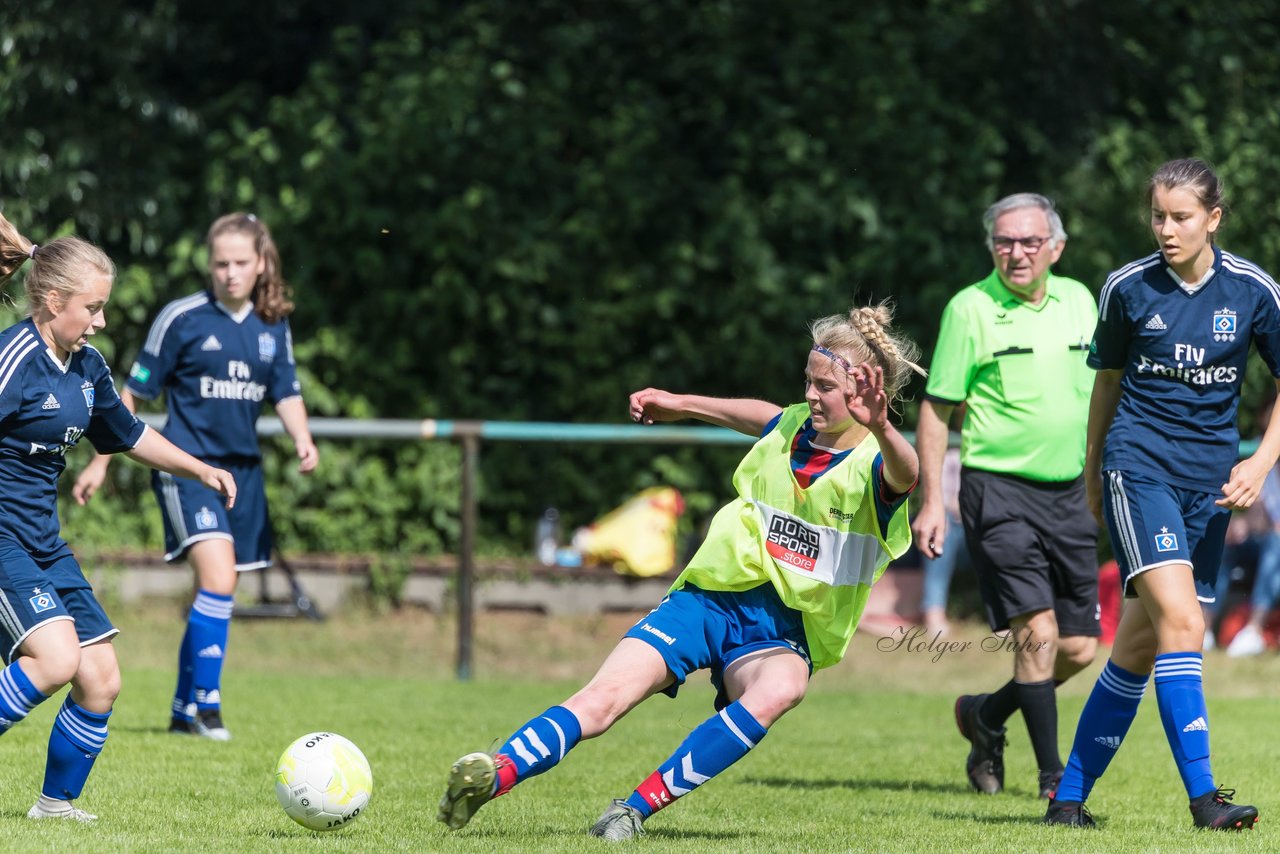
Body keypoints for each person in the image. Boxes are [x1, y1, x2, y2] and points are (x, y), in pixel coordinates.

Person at [437, 303, 923, 839]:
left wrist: (880, 428)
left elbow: (908, 473)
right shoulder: (789, 427)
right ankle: (492, 775)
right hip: (708, 600)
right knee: (602, 701)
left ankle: (632, 810)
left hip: (784, 631)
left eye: (825, 386)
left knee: (783, 686)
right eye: (807, 380)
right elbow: (756, 413)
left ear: (866, 393)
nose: (809, 395)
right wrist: (679, 403)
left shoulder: (875, 462)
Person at [1045, 158, 1278, 831]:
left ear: (1214, 218)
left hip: (1209, 484)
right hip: (1136, 466)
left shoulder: (1255, 292)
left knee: (1141, 645)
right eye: (1158, 216)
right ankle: (1206, 800)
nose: (1167, 230)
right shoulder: (1126, 287)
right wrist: (1093, 474)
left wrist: (1261, 462)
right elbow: (1107, 384)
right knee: (1184, 623)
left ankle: (1067, 801)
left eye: (1181, 217)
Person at [0, 214, 236, 821]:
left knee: (100, 676)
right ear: (54, 301)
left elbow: (127, 435)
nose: (102, 321)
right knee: (54, 660)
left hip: (43, 542)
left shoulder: (87, 367)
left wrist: (201, 469)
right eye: (93, 307)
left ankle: (54, 808)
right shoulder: (13, 357)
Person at [73, 213, 317, 741]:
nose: (229, 273)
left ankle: (184, 712)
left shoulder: (272, 326)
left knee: (218, 588)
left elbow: (287, 391)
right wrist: (101, 460)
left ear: (260, 264)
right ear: (210, 265)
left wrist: (303, 437)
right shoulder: (181, 318)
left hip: (243, 475)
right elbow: (129, 395)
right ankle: (208, 708)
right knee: (219, 579)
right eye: (220, 263)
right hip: (187, 471)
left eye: (240, 263)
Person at [913, 193, 1100, 800]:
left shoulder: (1080, 300)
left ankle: (986, 717)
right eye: (1004, 241)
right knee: (1038, 633)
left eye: (1029, 242)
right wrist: (933, 501)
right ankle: (1055, 783)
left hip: (1071, 492)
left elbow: (1104, 396)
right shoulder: (969, 309)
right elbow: (938, 409)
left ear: (1056, 248)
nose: (1016, 253)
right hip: (998, 490)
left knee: (1077, 646)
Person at [919, 445, 966, 636]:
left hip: (979, 532)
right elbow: (944, 503)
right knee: (941, 533)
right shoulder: (948, 457)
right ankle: (933, 610)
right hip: (952, 527)